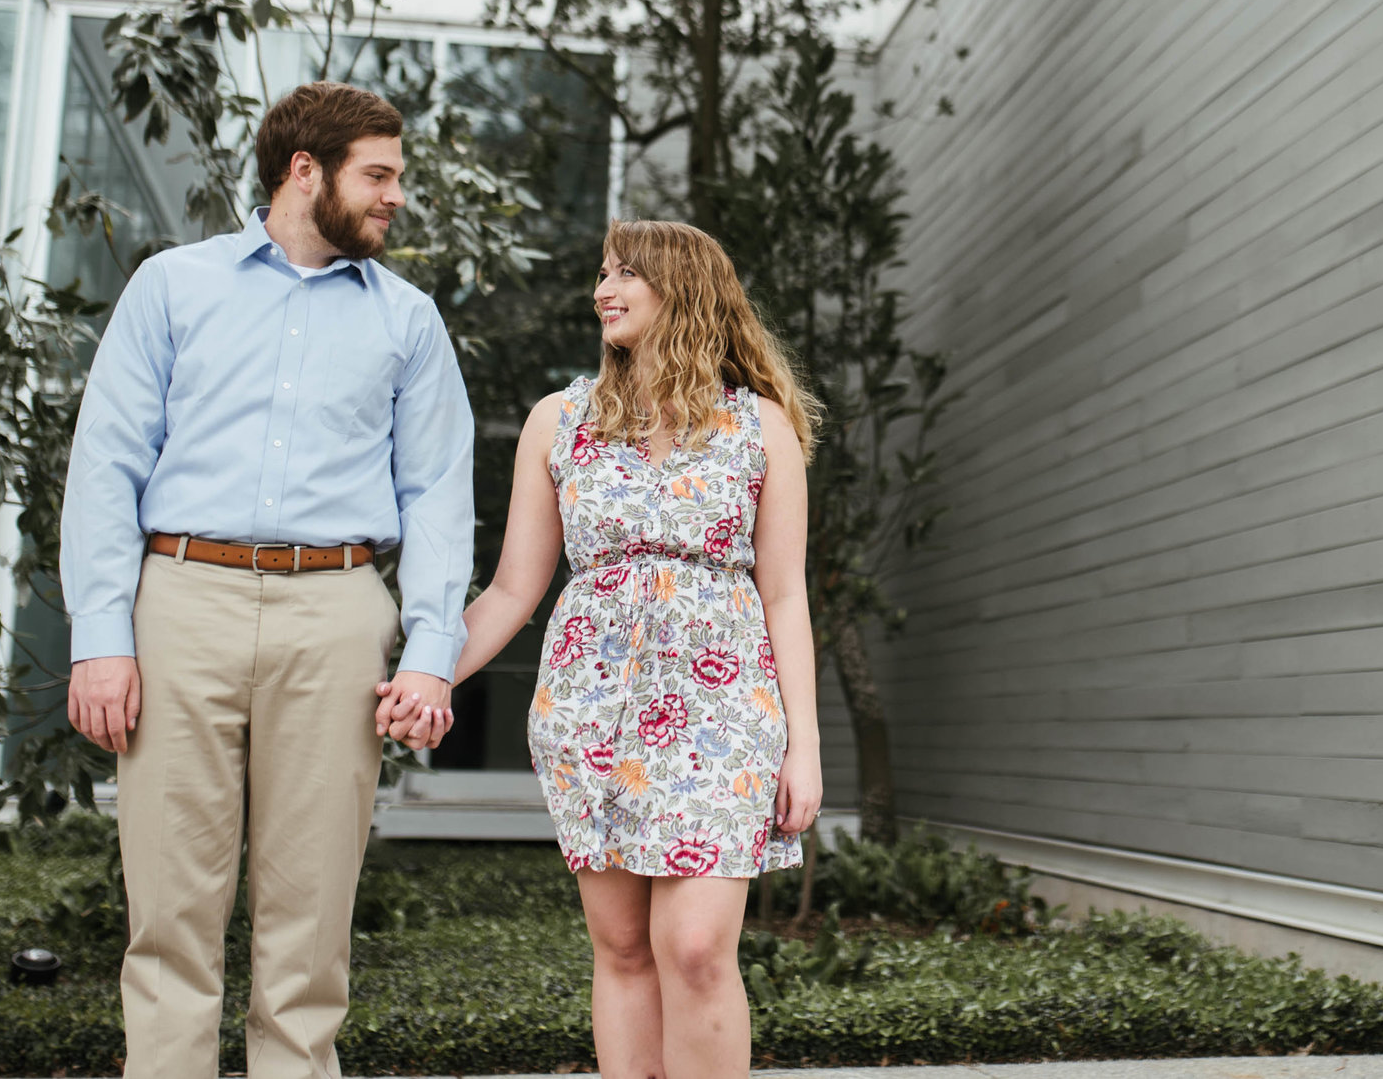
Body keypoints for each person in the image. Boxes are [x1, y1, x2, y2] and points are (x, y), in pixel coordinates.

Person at [62, 80, 473, 1079]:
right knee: (168, 912)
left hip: (336, 612)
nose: (395, 197)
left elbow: (438, 494)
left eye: (396, 177)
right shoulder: (173, 286)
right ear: (304, 170)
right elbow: (107, 463)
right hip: (181, 600)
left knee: (311, 915)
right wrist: (101, 636)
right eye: (377, 175)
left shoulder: (409, 322)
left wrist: (430, 656)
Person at [444, 218, 824, 1079]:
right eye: (602, 273)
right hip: (591, 711)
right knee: (620, 947)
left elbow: (785, 594)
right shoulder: (560, 419)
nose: (602, 290)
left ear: (682, 289)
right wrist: (425, 673)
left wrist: (803, 744)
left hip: (722, 713)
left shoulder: (758, 426)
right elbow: (512, 588)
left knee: (692, 947)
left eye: (625, 274)